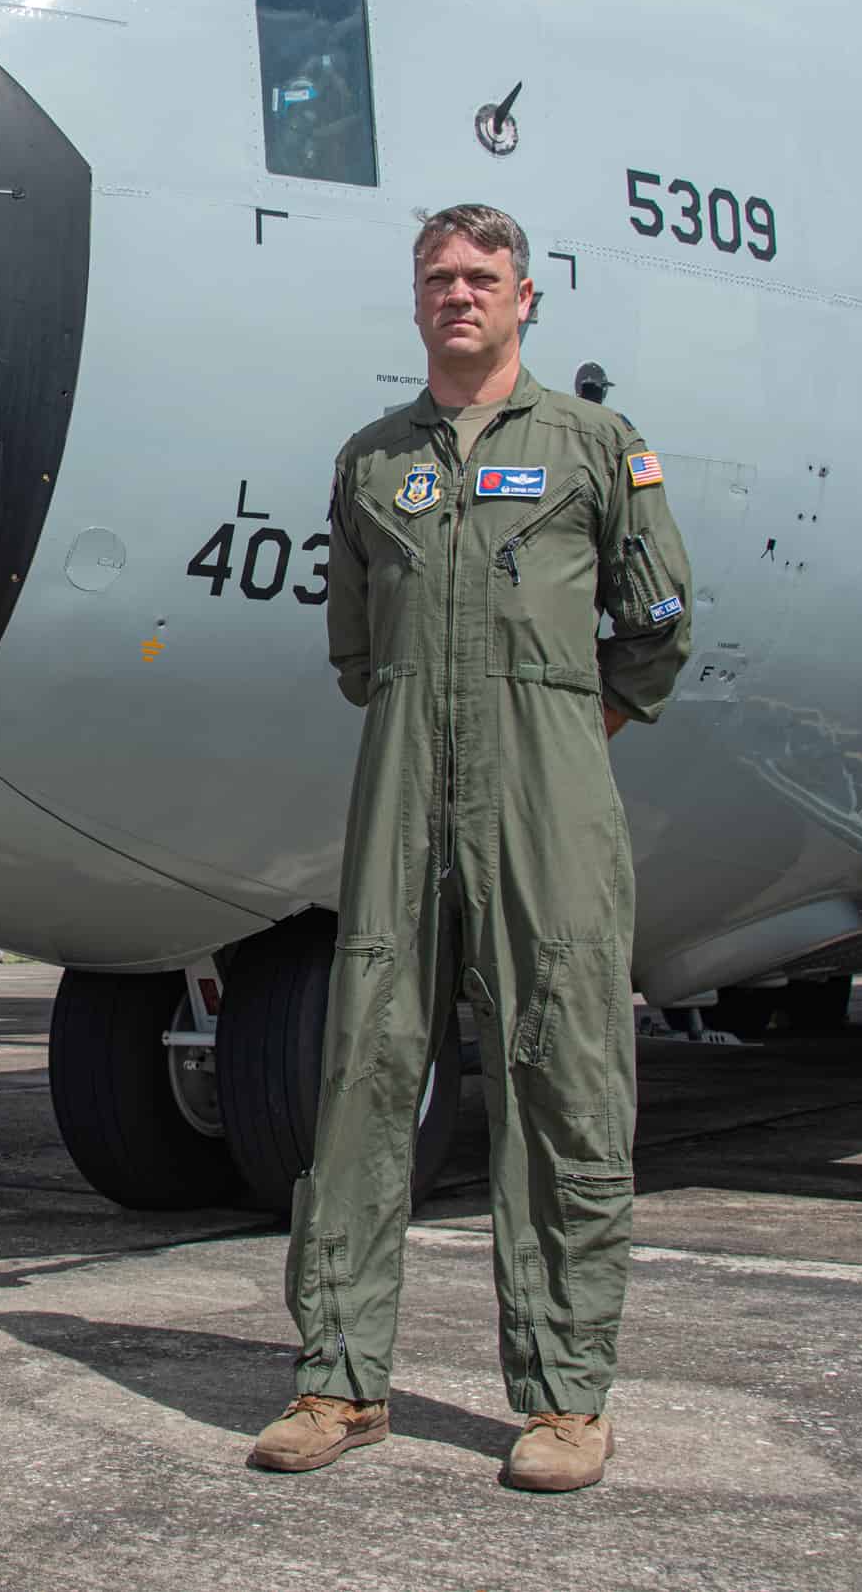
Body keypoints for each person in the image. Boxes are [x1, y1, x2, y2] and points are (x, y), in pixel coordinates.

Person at [252, 203, 692, 1495]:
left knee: (563, 1074)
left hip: (546, 793)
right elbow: (351, 648)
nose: (459, 294)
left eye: (481, 276)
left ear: (525, 296)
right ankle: (338, 1378)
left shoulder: (593, 445)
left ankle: (565, 1398)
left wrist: (562, 724)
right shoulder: (371, 460)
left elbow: (657, 623)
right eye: (438, 276)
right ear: (416, 299)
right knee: (364, 1072)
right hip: (401, 788)